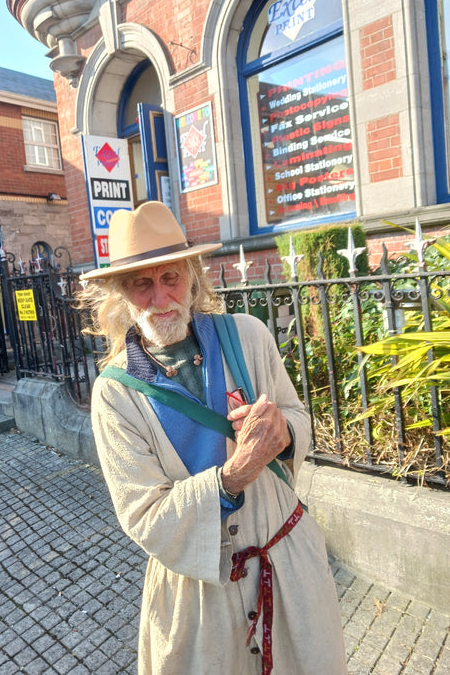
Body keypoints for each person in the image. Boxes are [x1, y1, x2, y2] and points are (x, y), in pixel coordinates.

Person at [79, 201, 347, 675]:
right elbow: (143, 516)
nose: (160, 297)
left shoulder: (248, 335)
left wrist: (282, 430)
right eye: (142, 283)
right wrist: (233, 476)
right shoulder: (115, 394)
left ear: (192, 276)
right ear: (120, 295)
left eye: (171, 278)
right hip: (198, 596)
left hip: (289, 568)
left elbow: (299, 418)